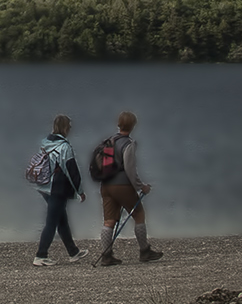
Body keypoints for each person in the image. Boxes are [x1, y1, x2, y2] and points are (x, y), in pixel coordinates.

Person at [95, 110, 161, 266]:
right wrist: (141, 186)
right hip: (122, 185)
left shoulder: (109, 141)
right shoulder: (129, 143)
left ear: (119, 124)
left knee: (109, 220)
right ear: (132, 126)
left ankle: (106, 255)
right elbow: (130, 170)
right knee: (139, 214)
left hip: (106, 185)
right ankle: (145, 251)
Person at [32, 114, 85, 267]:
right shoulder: (64, 147)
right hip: (57, 189)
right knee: (52, 222)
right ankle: (41, 255)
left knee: (61, 220)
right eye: (69, 126)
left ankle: (73, 252)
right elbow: (72, 171)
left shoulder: (45, 142)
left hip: (44, 187)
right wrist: (80, 191)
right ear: (65, 127)